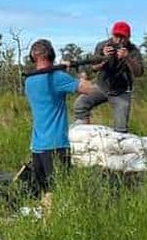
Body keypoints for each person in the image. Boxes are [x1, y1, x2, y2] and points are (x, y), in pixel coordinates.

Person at [24, 39, 94, 199]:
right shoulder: (58, 77)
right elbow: (89, 89)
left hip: (37, 146)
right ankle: (54, 222)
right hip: (56, 144)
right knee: (59, 193)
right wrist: (78, 72)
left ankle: (46, 222)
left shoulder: (29, 81)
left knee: (47, 193)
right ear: (51, 55)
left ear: (33, 57)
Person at [72, 21, 144, 132]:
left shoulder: (133, 50)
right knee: (80, 104)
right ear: (112, 35)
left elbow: (139, 73)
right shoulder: (102, 46)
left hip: (121, 91)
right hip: (101, 87)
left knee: (121, 127)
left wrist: (127, 58)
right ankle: (84, 133)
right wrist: (103, 58)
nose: (119, 40)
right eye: (116, 36)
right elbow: (93, 68)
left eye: (122, 37)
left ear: (128, 37)